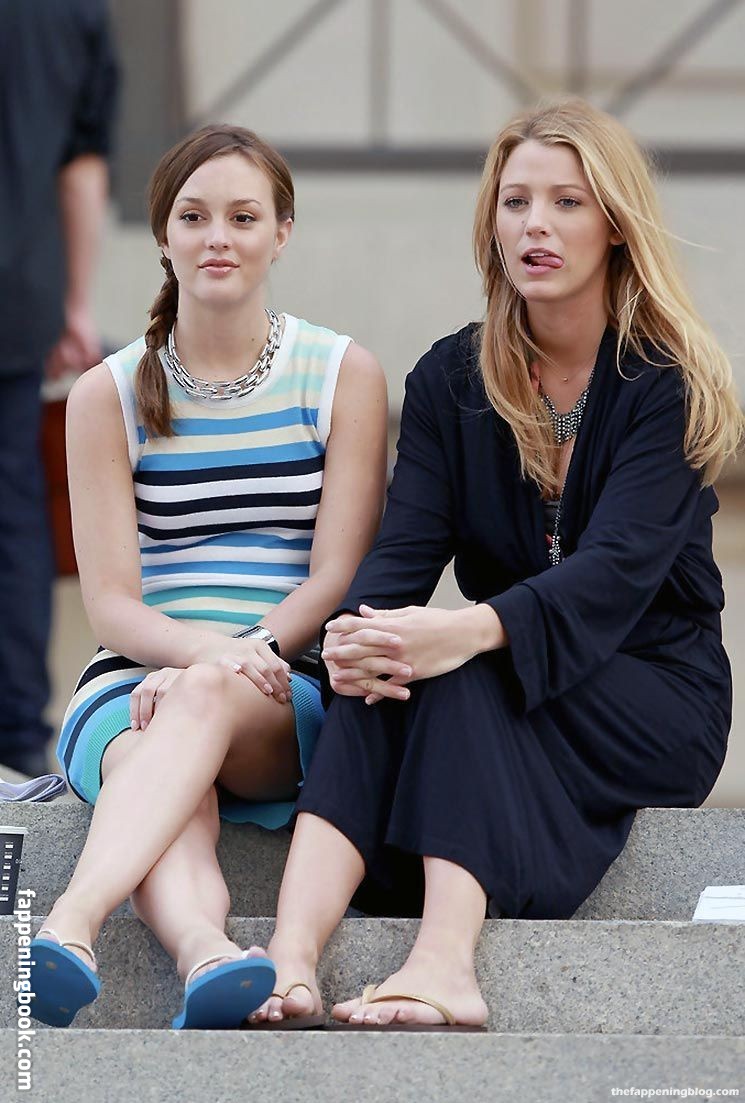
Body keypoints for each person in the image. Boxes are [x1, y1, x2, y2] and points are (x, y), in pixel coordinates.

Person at [247, 98, 744, 1031]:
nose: (534, 225)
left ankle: (444, 964)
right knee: (381, 675)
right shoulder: (449, 380)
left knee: (464, 668)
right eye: (515, 202)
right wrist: (355, 638)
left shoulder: (665, 382)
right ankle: (290, 956)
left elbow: (614, 571)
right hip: (507, 680)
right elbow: (400, 552)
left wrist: (466, 631)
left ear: (615, 225)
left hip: (651, 693)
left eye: (565, 202)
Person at [28, 124, 388, 1029]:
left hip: (282, 677)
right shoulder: (106, 393)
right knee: (162, 769)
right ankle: (208, 956)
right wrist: (196, 655)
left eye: (242, 217)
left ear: (281, 232)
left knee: (193, 704)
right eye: (193, 217)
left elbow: (337, 572)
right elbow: (111, 604)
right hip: (132, 676)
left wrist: (234, 655)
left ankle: (70, 920)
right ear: (163, 235)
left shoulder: (340, 374)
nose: (216, 237)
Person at [0, 0, 118, 777]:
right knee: (13, 517)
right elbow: (82, 162)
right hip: (18, 293)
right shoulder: (70, 9)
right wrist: (75, 302)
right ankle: (15, 737)